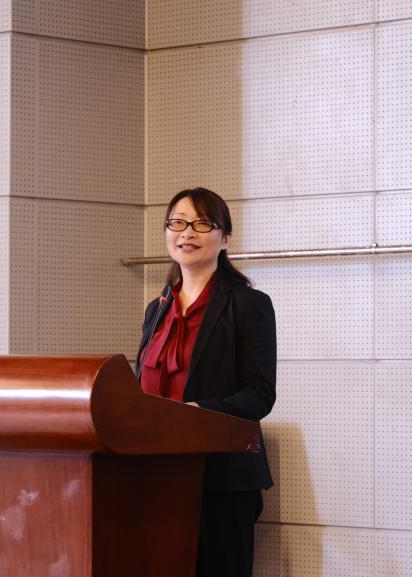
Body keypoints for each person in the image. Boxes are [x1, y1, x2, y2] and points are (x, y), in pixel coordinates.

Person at [135, 187, 277, 577]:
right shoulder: (157, 309)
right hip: (153, 476)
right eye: (177, 223)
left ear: (225, 238)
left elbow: (260, 395)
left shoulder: (248, 305)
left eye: (201, 223)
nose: (187, 233)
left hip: (220, 479)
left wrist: (197, 413)